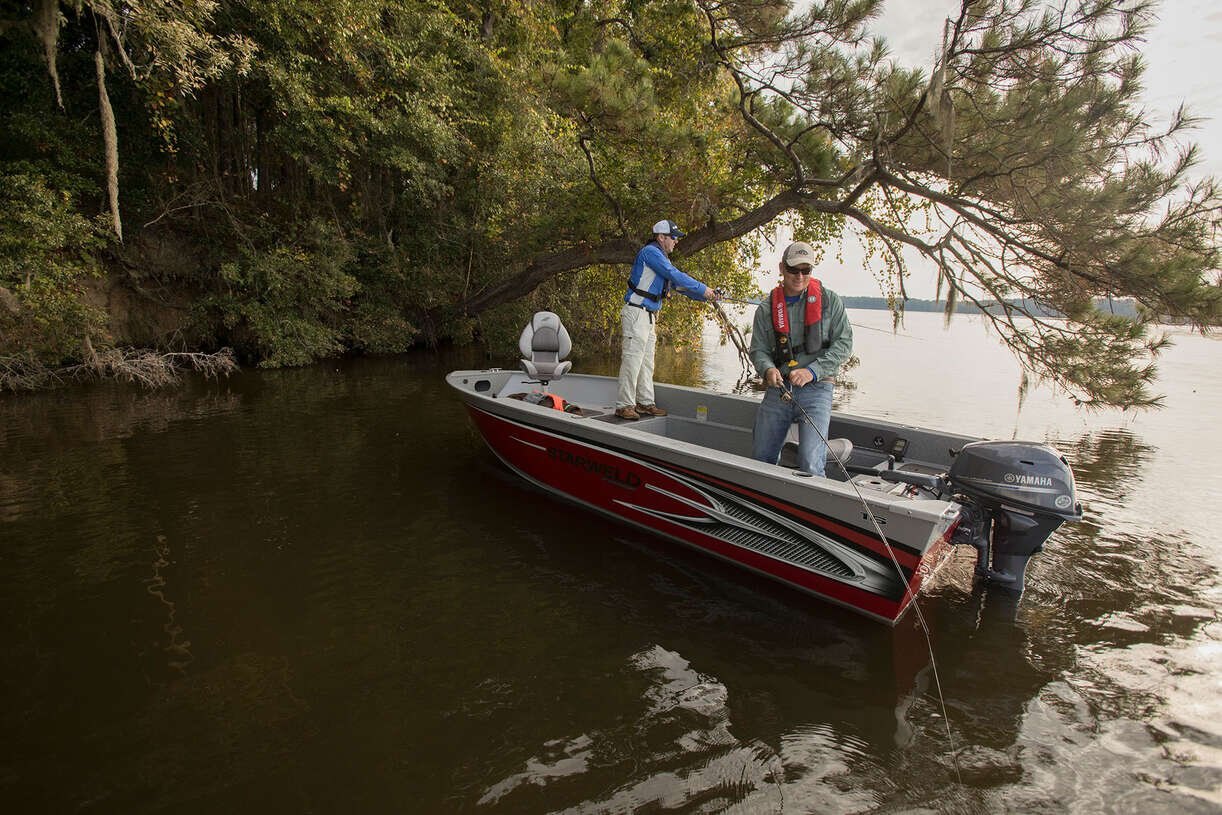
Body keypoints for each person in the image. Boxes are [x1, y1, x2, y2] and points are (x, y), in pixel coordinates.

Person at [749, 241, 853, 476]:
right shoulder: (766, 309)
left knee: (810, 462)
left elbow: (844, 344)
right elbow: (758, 350)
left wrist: (812, 371)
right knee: (761, 457)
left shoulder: (830, 301)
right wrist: (767, 370)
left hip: (818, 389)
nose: (799, 276)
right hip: (779, 389)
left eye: (806, 270)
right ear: (781, 268)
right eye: (793, 269)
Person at [615, 219, 721, 420]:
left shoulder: (662, 260)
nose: (676, 241)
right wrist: (704, 288)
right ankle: (624, 406)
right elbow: (676, 275)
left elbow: (678, 286)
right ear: (661, 237)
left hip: (648, 317)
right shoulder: (651, 253)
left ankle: (645, 404)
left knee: (647, 363)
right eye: (673, 237)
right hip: (636, 313)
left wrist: (707, 295)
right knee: (632, 361)